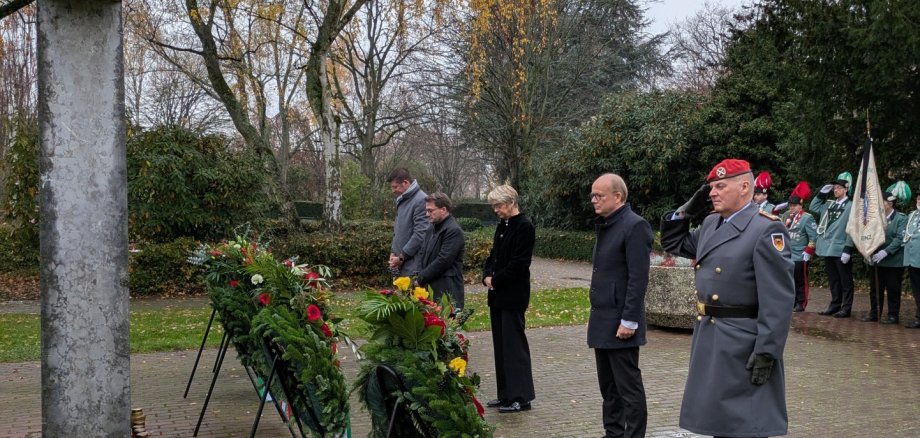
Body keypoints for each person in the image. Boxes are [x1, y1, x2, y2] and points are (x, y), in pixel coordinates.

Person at [660, 158, 794, 438]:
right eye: (710, 187)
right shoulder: (711, 224)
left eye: (720, 186)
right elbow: (673, 243)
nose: (712, 193)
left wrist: (767, 350)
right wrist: (687, 211)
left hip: (742, 341)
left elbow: (778, 299)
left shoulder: (766, 229)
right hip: (710, 335)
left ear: (745, 187)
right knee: (719, 425)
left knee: (746, 427)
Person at [587, 173, 652, 438]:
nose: (593, 200)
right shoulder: (607, 224)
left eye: (599, 195)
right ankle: (613, 433)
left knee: (628, 387)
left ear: (618, 197)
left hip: (620, 321)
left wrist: (630, 320)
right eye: (592, 195)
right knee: (608, 387)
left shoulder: (634, 225)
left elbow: (638, 277)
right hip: (602, 318)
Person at [482, 185, 536, 413]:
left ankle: (521, 397)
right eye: (494, 206)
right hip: (498, 296)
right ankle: (505, 394)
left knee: (514, 347)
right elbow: (494, 255)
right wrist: (486, 274)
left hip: (513, 294)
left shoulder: (524, 227)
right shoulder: (502, 226)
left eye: (499, 205)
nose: (496, 210)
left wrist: (496, 280)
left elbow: (519, 262)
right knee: (501, 346)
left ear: (511, 202)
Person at [810, 174, 855, 317]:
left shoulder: (851, 206)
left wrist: (848, 248)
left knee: (845, 280)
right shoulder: (829, 204)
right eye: (834, 188)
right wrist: (822, 192)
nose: (836, 190)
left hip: (840, 248)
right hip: (827, 248)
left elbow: (853, 228)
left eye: (839, 188)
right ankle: (835, 304)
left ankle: (846, 307)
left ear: (846, 190)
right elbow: (813, 207)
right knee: (834, 280)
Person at [414, 192, 465, 310]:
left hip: (447, 290)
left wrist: (421, 279)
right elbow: (422, 254)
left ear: (443, 209)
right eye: (426, 211)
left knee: (447, 326)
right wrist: (417, 276)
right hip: (430, 288)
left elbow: (443, 260)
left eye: (430, 210)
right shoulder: (431, 228)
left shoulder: (453, 230)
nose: (427, 214)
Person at [862, 191, 907, 324]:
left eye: (881, 202)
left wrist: (886, 252)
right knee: (875, 288)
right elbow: (868, 235)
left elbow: (899, 238)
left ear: (890, 203)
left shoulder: (900, 218)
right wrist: (869, 251)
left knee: (893, 289)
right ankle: (875, 312)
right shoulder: (874, 218)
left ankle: (893, 315)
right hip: (876, 260)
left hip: (892, 261)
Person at [780, 182, 817, 312]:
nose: (792, 208)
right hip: (787, 254)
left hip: (799, 254)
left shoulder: (807, 218)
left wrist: (809, 250)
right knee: (788, 281)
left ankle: (800, 302)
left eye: (794, 206)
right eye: (790, 205)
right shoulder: (785, 216)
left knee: (800, 281)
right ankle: (791, 301)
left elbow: (813, 236)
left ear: (800, 205)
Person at [387, 168, 429, 276]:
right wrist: (393, 252)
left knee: (412, 293)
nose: (393, 190)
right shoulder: (402, 199)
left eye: (395, 187)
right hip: (400, 262)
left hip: (413, 265)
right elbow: (399, 231)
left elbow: (420, 234)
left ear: (405, 183)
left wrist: (402, 257)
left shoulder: (421, 200)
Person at [902, 189, 920, 329]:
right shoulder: (912, 215)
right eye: (918, 199)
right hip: (913, 259)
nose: (919, 201)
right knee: (917, 290)